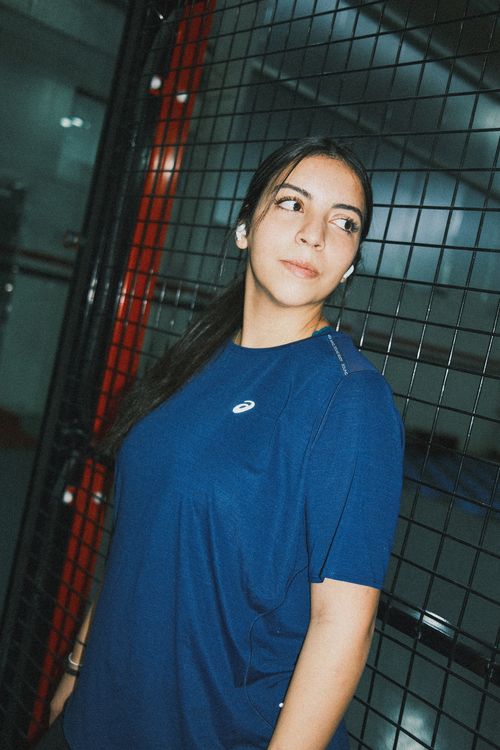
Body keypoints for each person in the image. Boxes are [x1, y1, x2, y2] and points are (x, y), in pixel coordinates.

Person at [38, 136, 404, 750]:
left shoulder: (349, 399)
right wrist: (77, 666)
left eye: (344, 223)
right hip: (95, 716)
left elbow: (342, 626)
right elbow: (141, 538)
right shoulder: (196, 361)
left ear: (350, 263)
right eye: (291, 204)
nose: (314, 235)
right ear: (243, 228)